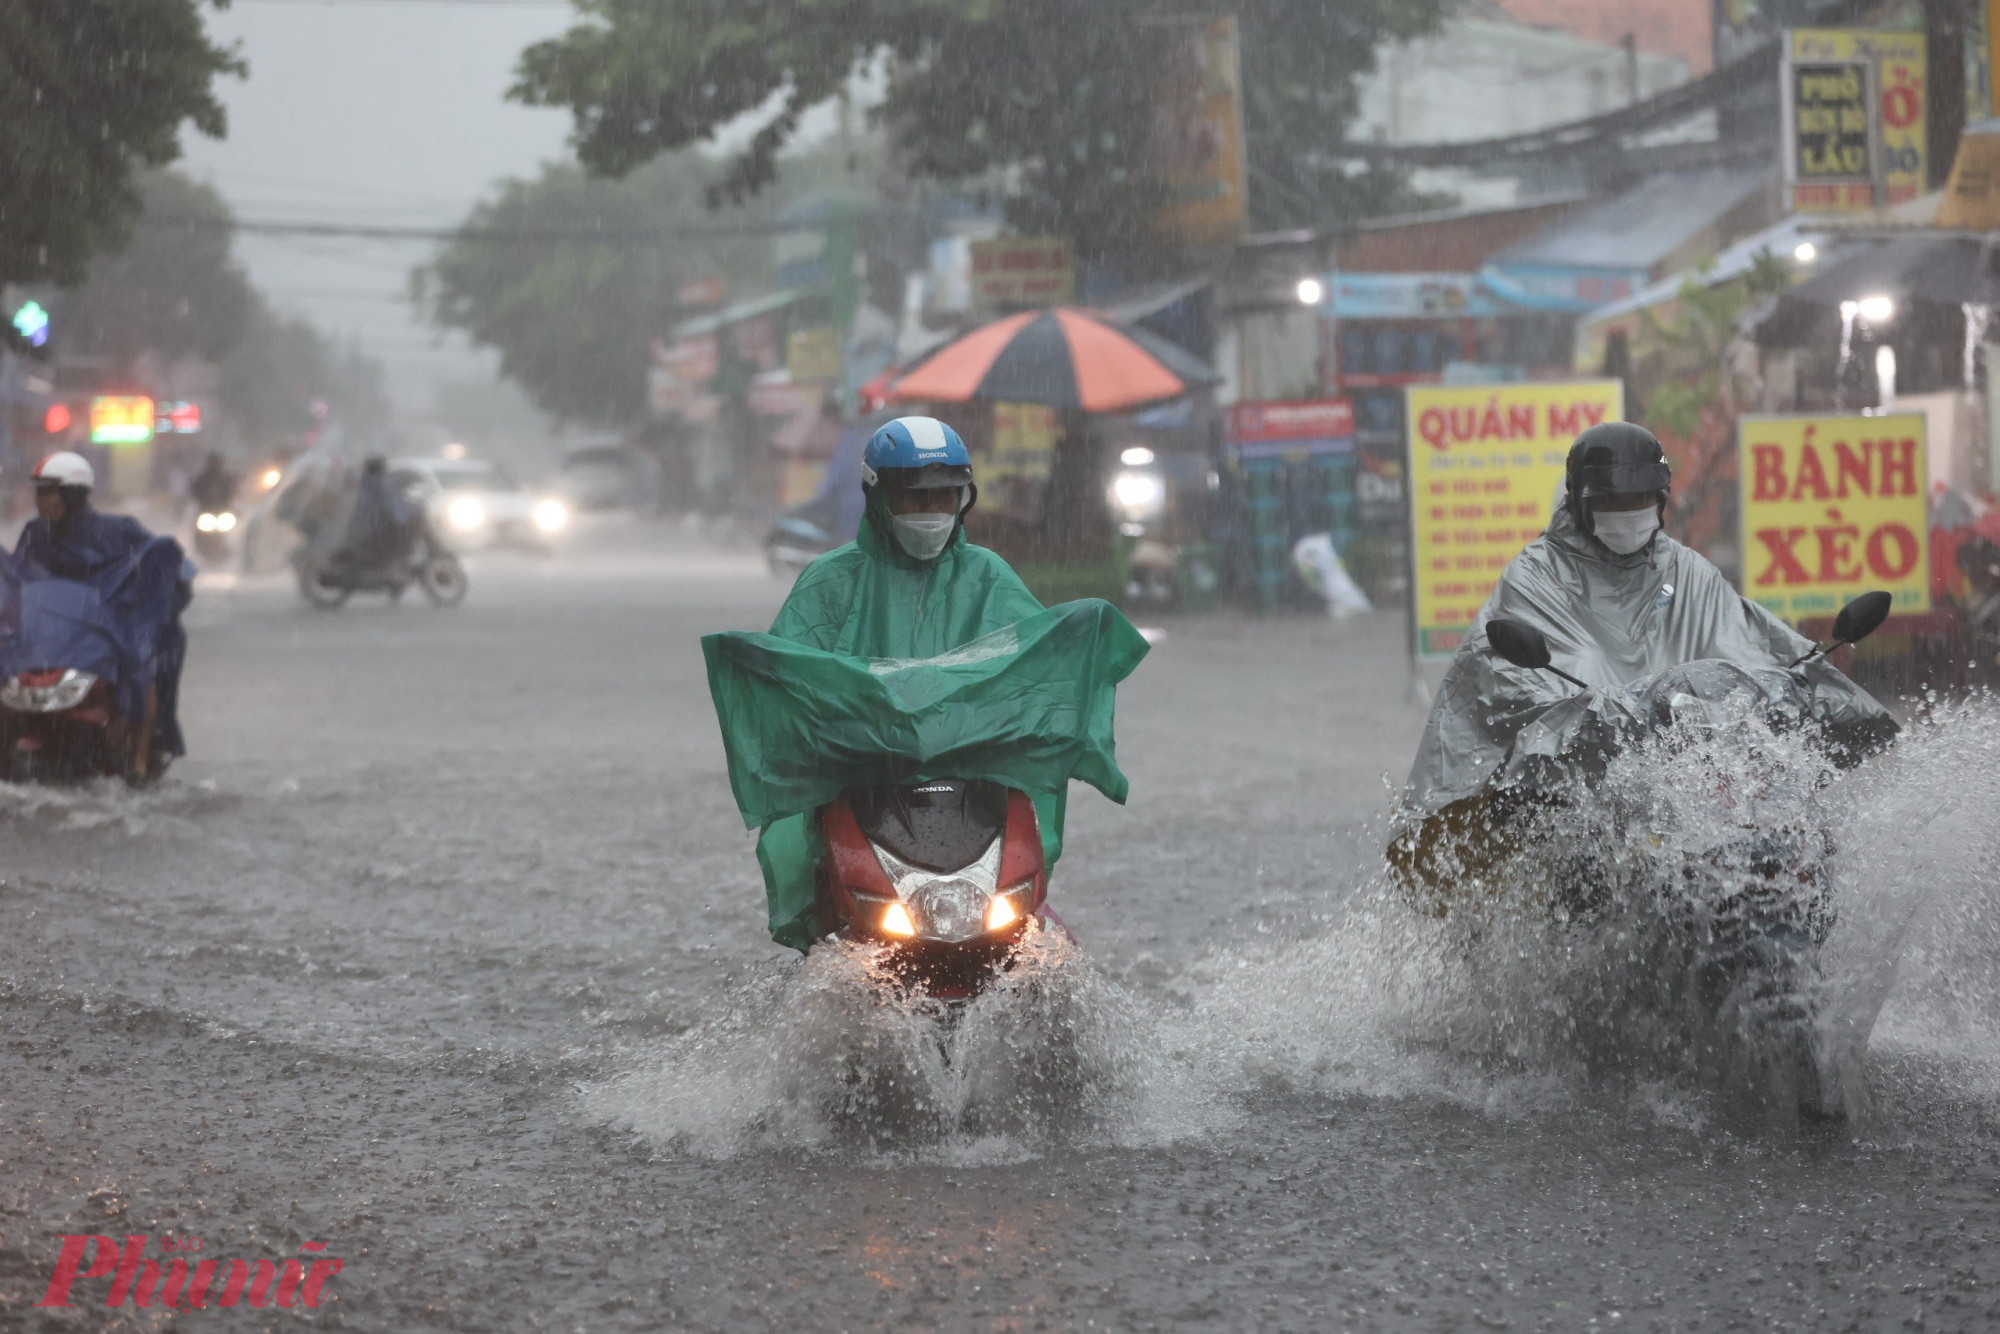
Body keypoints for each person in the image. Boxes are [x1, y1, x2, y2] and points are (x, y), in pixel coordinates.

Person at [1402, 421, 1897, 823]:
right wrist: (1599, 721)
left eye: (1640, 503)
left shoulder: (1687, 570)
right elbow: (1506, 683)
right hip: (1587, 786)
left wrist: (1801, 676)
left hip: (1703, 775)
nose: (1628, 515)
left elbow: (1747, 644)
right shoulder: (1535, 576)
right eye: (1611, 503)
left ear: (1660, 502)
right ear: (1579, 500)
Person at [757, 415, 1051, 949]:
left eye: (945, 498)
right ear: (878, 498)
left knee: (1040, 938)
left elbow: (1034, 670)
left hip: (976, 793)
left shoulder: (991, 579)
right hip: (863, 789)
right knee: (838, 936)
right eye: (915, 500)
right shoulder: (829, 583)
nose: (930, 514)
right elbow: (788, 686)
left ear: (965, 499)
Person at [12, 452, 193, 780]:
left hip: (110, 631)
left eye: (48, 491)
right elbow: (18, 580)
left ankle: (138, 760)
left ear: (73, 494)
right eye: (38, 491)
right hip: (53, 635)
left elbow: (162, 566)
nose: (40, 500)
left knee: (143, 670)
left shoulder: (118, 530)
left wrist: (159, 592)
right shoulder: (35, 533)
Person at [329, 456, 422, 570]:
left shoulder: (363, 484)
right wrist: (415, 510)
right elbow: (396, 512)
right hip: (375, 532)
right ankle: (397, 560)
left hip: (361, 532)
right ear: (381, 469)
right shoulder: (380, 486)